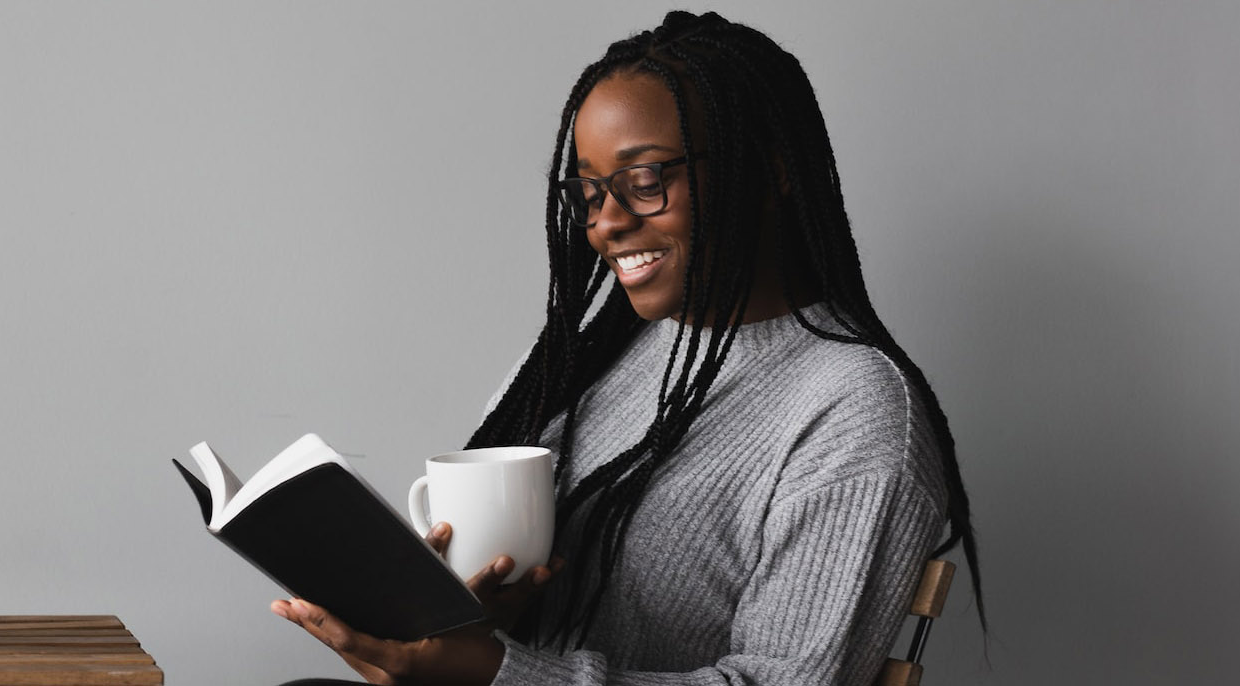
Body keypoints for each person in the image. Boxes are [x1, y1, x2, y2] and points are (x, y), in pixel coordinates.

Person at [272, 10, 986, 685]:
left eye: (644, 181)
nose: (604, 222)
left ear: (770, 171)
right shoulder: (586, 359)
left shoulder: (854, 411)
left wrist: (497, 673)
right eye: (587, 192)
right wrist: (468, 623)